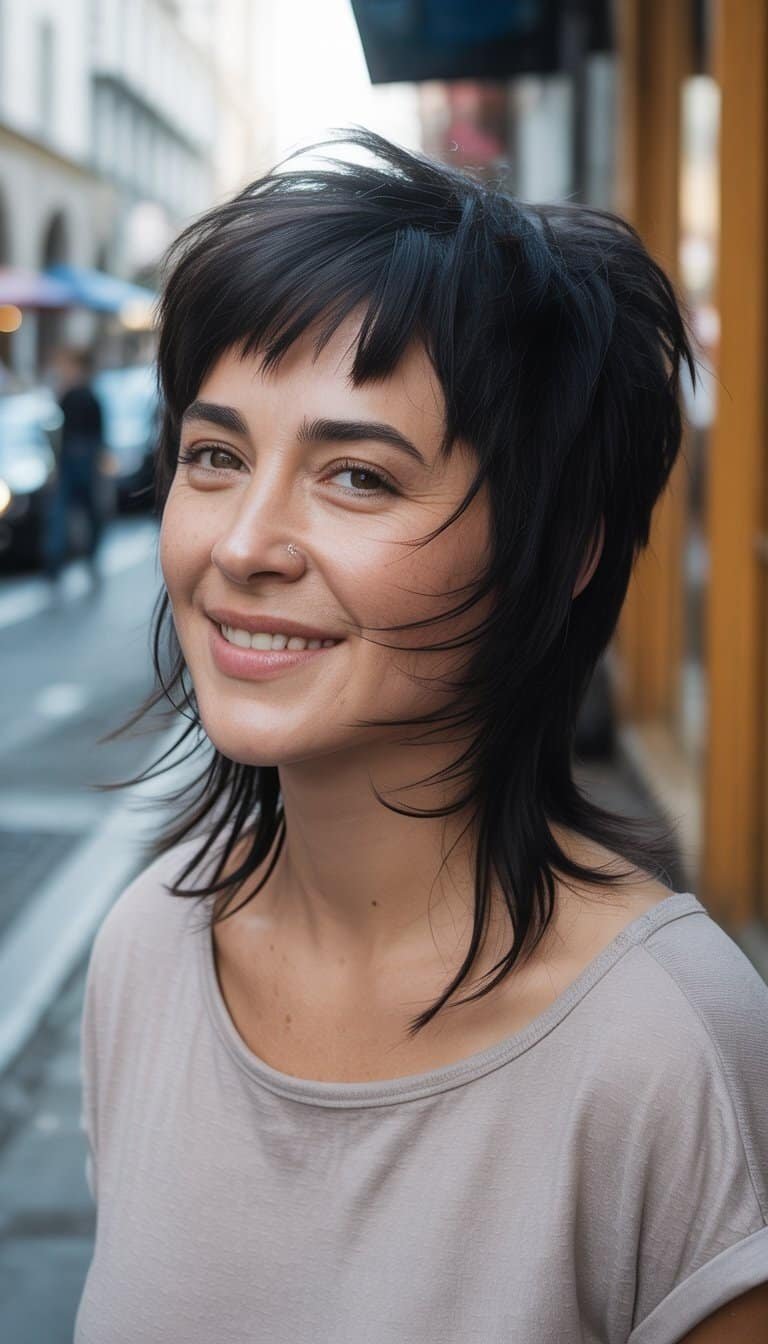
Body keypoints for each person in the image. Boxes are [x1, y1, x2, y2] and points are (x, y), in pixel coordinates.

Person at [75, 129, 768, 1342]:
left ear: (558, 555)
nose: (244, 545)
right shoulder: (146, 952)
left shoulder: (669, 1047)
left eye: (359, 479)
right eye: (217, 455)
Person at [42, 344, 106, 584]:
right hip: (79, 458)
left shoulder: (79, 394)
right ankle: (69, 559)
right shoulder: (83, 394)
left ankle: (59, 562)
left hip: (78, 458)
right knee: (79, 510)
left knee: (68, 510)